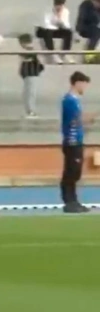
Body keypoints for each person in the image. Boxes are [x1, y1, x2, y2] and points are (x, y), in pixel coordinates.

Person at [60, 71, 93, 213]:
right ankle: (69, 201)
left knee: (75, 172)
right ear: (78, 83)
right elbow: (77, 120)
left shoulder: (74, 101)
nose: (84, 88)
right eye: (84, 85)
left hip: (76, 140)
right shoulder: (69, 101)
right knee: (71, 172)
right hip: (72, 141)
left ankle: (73, 200)